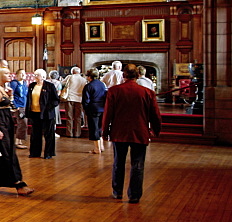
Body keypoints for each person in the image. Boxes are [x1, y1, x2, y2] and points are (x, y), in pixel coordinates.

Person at [102, 65, 161, 203]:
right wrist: (156, 130)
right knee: (138, 164)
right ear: (138, 75)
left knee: (118, 163)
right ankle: (134, 195)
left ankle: (117, 192)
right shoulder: (147, 92)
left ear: (124, 75)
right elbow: (155, 114)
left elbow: (107, 114)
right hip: (140, 132)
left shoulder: (114, 91)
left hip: (119, 132)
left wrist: (104, 131)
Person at [0, 67, 34, 195]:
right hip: (0, 124)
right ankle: (18, 184)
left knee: (1, 152)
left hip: (6, 121)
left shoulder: (3, 89)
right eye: (6, 73)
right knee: (5, 153)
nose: (10, 75)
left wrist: (10, 96)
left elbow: (7, 107)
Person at [27, 68, 60, 159]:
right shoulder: (32, 85)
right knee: (35, 134)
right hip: (35, 113)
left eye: (37, 75)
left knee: (48, 134)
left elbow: (56, 100)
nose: (35, 77)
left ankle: (48, 153)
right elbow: (29, 99)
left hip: (47, 114)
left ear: (43, 77)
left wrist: (48, 108)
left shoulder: (49, 86)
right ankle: (34, 153)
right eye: (35, 75)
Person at [82, 68, 108, 154]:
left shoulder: (88, 86)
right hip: (102, 108)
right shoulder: (102, 84)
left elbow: (86, 100)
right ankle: (101, 146)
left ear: (89, 77)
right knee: (100, 127)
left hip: (93, 109)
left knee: (94, 128)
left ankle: (97, 148)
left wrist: (86, 109)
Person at [61, 66, 88, 138]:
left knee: (69, 117)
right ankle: (77, 133)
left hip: (70, 98)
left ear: (72, 72)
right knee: (78, 117)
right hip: (79, 99)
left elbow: (62, 84)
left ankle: (69, 133)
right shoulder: (83, 79)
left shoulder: (70, 77)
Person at [9, 69, 28, 149]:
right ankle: (17, 142)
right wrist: (15, 106)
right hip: (18, 106)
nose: (23, 75)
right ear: (16, 75)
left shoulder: (24, 83)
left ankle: (19, 140)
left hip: (24, 105)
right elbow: (11, 95)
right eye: (21, 74)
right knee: (22, 122)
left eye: (24, 73)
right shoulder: (14, 83)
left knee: (24, 123)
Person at [47, 70, 63, 137]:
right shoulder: (58, 83)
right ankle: (53, 131)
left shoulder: (46, 81)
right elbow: (59, 92)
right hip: (54, 102)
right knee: (54, 117)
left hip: (46, 101)